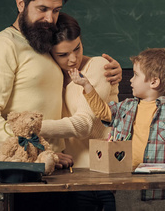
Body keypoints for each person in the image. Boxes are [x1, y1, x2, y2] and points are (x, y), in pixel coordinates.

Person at [0, 0, 122, 171]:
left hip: (56, 161)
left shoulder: (42, 40)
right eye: (42, 9)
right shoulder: (3, 46)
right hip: (19, 164)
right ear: (20, 3)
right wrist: (35, 150)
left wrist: (107, 67)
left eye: (56, 10)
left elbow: (66, 61)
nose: (50, 19)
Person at [69, 47, 165, 210]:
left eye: (136, 75)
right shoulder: (127, 106)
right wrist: (86, 85)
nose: (131, 79)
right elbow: (103, 112)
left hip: (160, 189)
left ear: (154, 82)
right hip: (127, 183)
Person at [40, 12, 117, 210]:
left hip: (107, 174)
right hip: (70, 177)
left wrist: (32, 127)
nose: (73, 59)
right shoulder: (54, 78)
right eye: (63, 55)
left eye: (77, 48)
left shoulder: (98, 66)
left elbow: (84, 126)